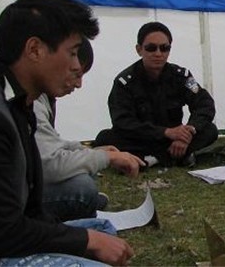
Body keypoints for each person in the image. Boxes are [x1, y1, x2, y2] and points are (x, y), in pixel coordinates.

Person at [0, 0, 134, 265]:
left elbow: (31, 212)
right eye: (72, 53)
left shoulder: (18, 101)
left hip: (7, 236)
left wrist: (86, 238)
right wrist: (85, 242)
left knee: (102, 230)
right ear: (34, 50)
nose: (75, 67)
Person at [36, 38, 145, 221]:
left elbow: (49, 143)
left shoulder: (39, 96)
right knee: (82, 186)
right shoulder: (28, 101)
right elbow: (49, 164)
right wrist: (106, 157)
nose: (79, 84)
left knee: (85, 169)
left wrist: (90, 152)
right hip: (10, 198)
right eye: (75, 73)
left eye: (165, 48)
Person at [94, 22, 218, 167]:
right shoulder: (124, 82)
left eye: (164, 48)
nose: (158, 53)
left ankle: (153, 159)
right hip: (143, 138)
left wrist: (189, 131)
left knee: (210, 130)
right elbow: (122, 122)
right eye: (151, 48)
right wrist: (165, 132)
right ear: (139, 50)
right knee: (105, 138)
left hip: (175, 138)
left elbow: (205, 104)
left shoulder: (181, 76)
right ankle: (171, 157)